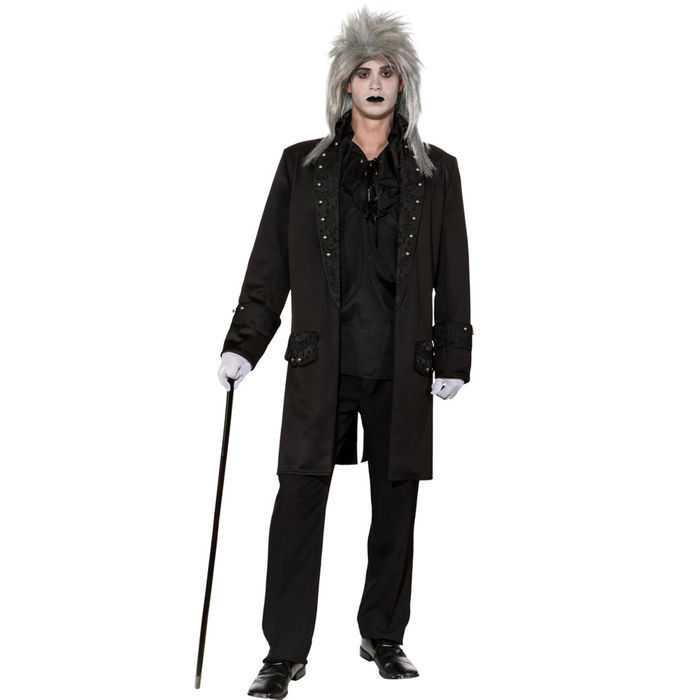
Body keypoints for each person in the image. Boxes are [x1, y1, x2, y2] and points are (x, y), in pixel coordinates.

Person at [218, 7, 473, 698]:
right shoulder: (301, 167)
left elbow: (454, 268)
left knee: (395, 506)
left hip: (400, 363)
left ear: (403, 83)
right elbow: (269, 262)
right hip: (320, 362)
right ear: (344, 83)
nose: (376, 83)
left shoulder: (436, 172)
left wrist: (452, 354)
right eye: (363, 72)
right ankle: (283, 652)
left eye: (387, 71)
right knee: (298, 502)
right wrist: (245, 344)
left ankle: (382, 634)